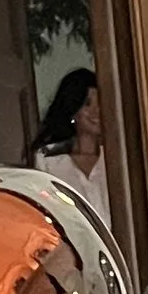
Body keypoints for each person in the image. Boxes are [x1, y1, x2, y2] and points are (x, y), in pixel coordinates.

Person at [33, 68, 109, 215]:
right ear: (73, 108)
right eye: (87, 104)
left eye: (100, 103)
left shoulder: (115, 159)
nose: (96, 111)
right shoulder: (48, 161)